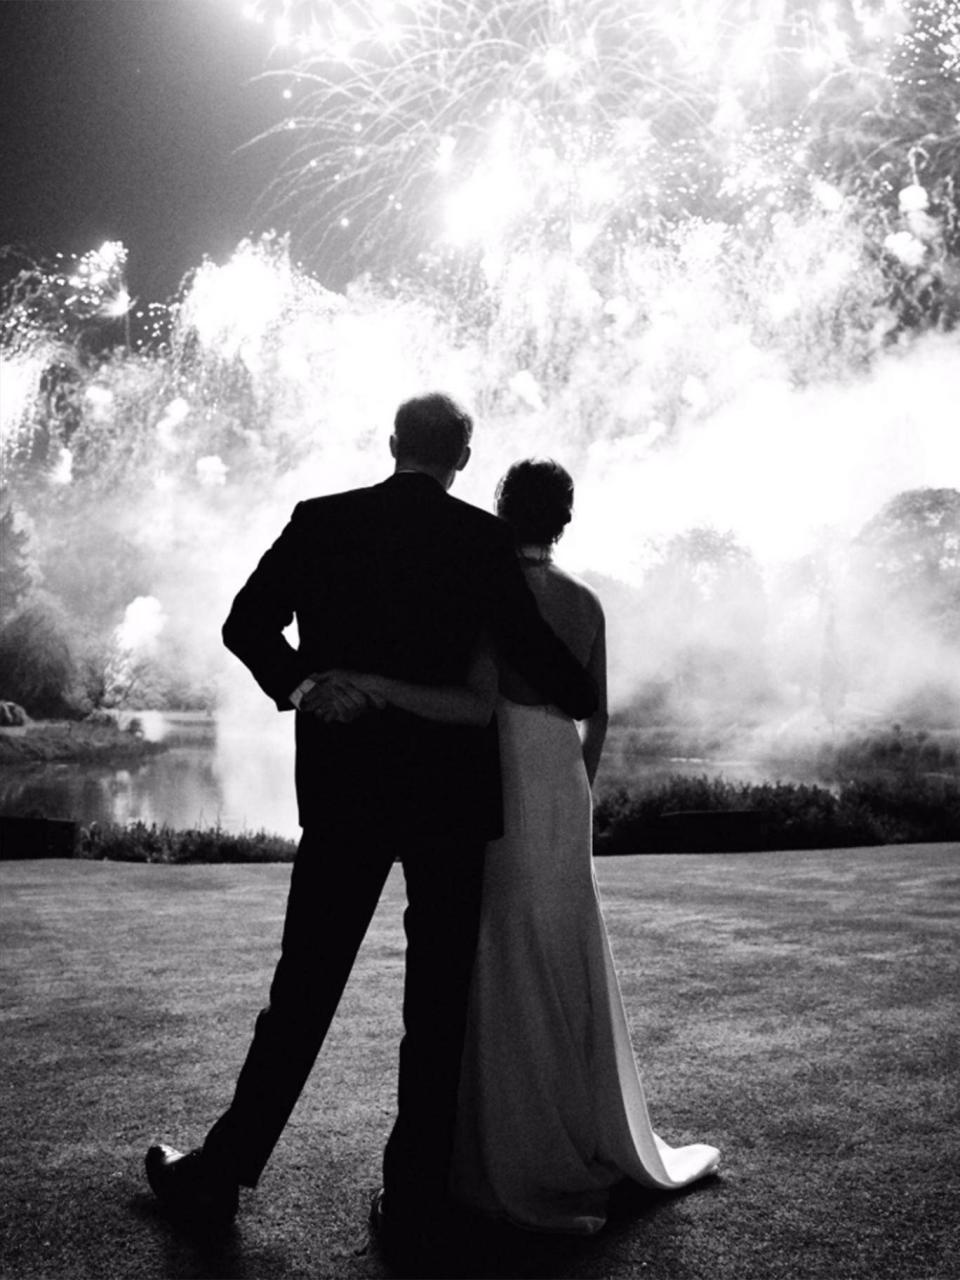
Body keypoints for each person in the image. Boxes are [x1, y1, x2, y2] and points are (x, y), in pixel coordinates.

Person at [144, 395, 598, 1249]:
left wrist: (310, 686)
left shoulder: (321, 521)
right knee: (435, 1007)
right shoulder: (480, 542)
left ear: (391, 445)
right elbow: (538, 658)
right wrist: (576, 687)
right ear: (463, 457)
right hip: (451, 806)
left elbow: (245, 625)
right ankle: (415, 1200)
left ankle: (219, 1176)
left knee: (302, 995)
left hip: (347, 793)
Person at [337, 460, 720, 1235]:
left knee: (494, 950)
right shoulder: (585, 602)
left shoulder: (482, 588)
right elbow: (599, 715)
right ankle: (575, 1131)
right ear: (564, 521)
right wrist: (575, 791)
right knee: (559, 946)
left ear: (501, 510)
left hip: (496, 767)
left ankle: (495, 1148)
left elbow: (473, 698)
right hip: (560, 776)